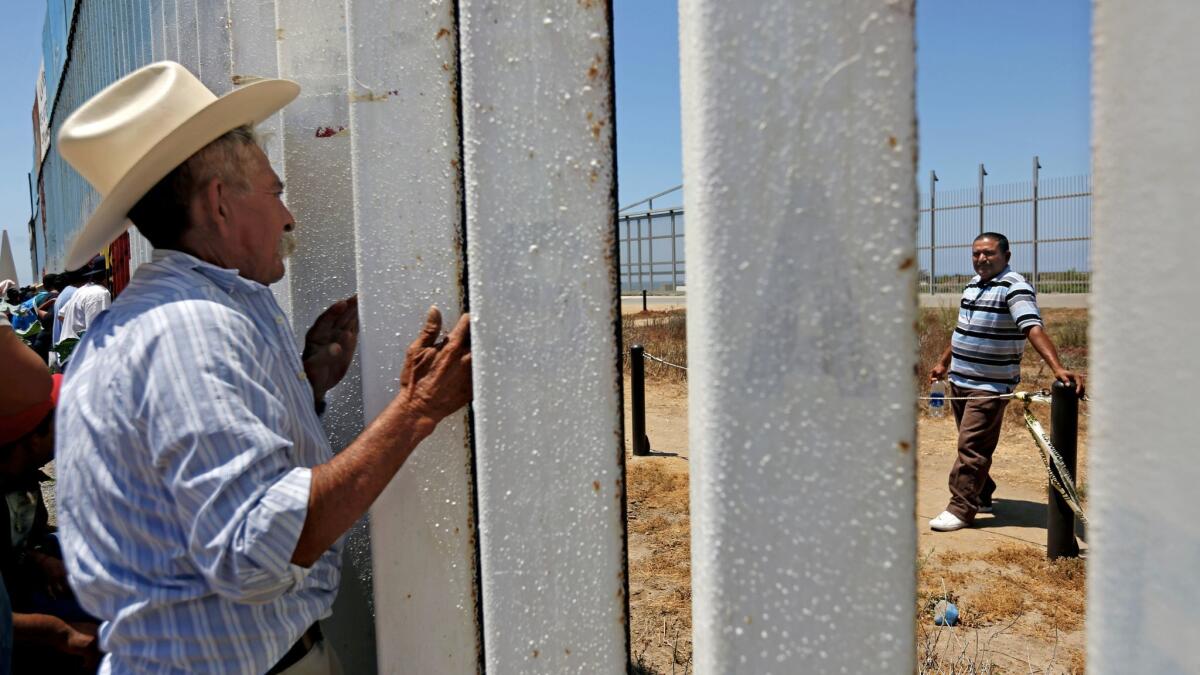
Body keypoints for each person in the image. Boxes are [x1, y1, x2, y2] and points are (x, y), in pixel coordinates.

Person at [54, 61, 472, 673]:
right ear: (220, 203)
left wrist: (306, 384)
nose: (288, 216)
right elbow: (254, 549)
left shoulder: (160, 318)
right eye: (275, 192)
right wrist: (417, 409)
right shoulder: (188, 330)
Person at [928, 232, 1084, 532]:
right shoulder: (973, 285)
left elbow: (1032, 327)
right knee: (972, 444)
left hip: (989, 385)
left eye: (988, 253)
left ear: (1006, 256)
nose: (981, 259)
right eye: (976, 254)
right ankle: (983, 493)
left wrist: (1058, 367)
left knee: (971, 446)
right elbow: (962, 329)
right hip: (960, 380)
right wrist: (942, 362)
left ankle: (961, 507)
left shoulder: (1015, 287)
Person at [0, 375, 101, 673]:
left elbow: (30, 540)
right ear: (33, 437)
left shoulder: (23, 475)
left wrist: (40, 558)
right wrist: (61, 632)